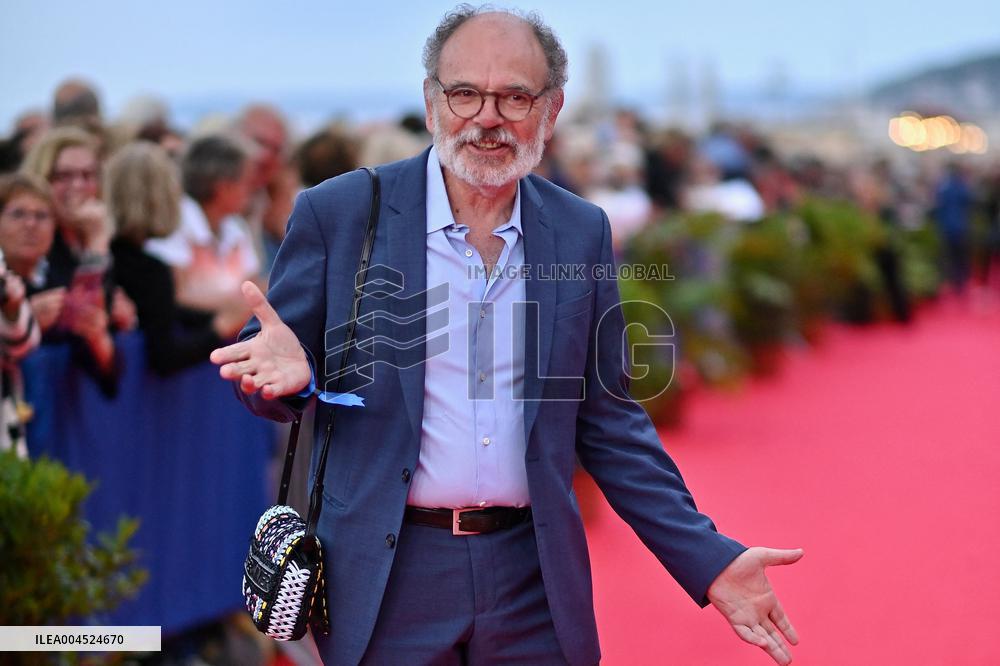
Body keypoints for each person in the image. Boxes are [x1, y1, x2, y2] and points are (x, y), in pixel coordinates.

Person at [212, 7, 801, 665]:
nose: (486, 118)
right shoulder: (342, 213)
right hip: (387, 577)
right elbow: (264, 364)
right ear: (432, 101)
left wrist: (707, 558)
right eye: (465, 93)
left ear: (551, 110)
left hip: (532, 581)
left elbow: (609, 422)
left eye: (514, 97)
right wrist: (286, 382)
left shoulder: (579, 231)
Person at [105, 142, 249, 375]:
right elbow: (165, 356)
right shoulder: (150, 270)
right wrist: (219, 328)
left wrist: (219, 316)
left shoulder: (103, 256)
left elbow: (166, 311)